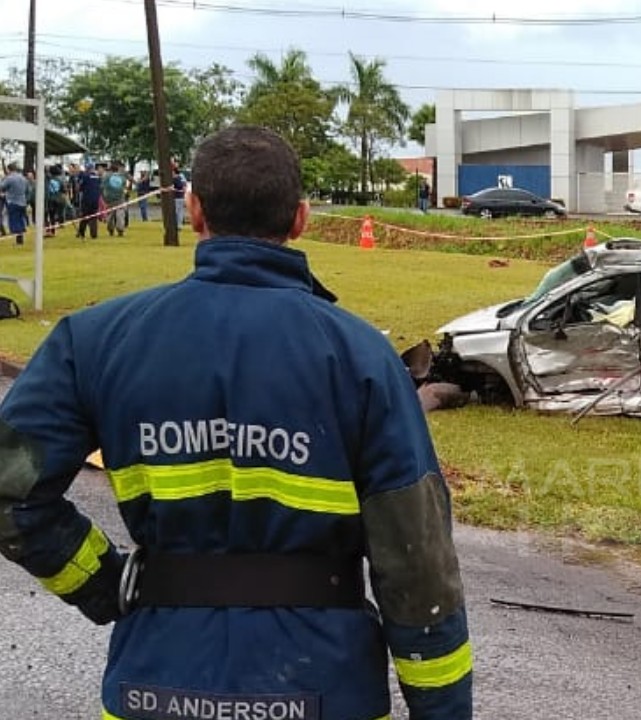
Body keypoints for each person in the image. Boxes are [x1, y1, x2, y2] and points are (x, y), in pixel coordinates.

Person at [0, 125, 473, 720]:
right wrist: (444, 710)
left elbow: (8, 491)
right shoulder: (363, 358)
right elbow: (417, 562)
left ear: (194, 210)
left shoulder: (95, 340)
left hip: (155, 684)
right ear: (299, 219)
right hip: (325, 690)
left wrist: (106, 584)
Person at [0, 162, 30, 245]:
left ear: (9, 169)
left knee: (14, 221)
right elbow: (28, 190)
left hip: (13, 202)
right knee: (20, 220)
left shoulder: (10, 178)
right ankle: (20, 238)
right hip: (23, 202)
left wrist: (3, 178)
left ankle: (18, 240)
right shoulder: (23, 178)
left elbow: (1, 187)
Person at [76, 163, 102, 240]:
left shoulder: (85, 176)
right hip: (95, 199)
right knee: (94, 217)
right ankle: (94, 234)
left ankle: (81, 233)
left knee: (85, 216)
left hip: (87, 199)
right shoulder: (97, 177)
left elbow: (79, 188)